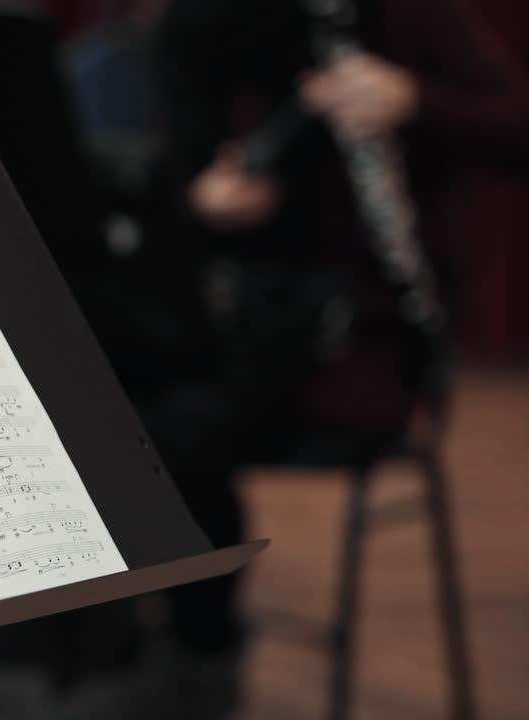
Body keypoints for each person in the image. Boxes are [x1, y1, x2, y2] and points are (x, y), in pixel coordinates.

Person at [98, 0, 529, 717]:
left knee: (167, 432)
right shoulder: (194, 23)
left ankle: (197, 656)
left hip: (363, 341)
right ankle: (128, 650)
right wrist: (205, 200)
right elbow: (166, 178)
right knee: (97, 408)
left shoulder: (396, 15)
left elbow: (516, 127)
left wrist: (413, 97)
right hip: (225, 313)